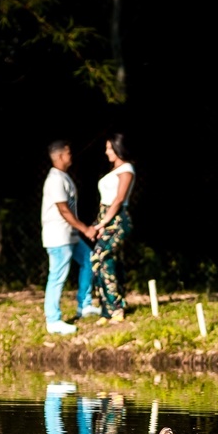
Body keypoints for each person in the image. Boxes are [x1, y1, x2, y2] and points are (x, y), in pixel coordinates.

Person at [41, 141, 99, 335]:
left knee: (88, 259)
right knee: (57, 276)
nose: (71, 155)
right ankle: (53, 320)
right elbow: (64, 210)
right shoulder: (55, 180)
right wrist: (86, 229)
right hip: (58, 237)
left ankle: (85, 305)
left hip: (69, 236)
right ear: (59, 156)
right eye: (68, 153)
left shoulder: (63, 177)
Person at [90, 134, 135, 322]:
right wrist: (100, 223)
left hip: (117, 219)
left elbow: (119, 199)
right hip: (106, 218)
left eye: (109, 148)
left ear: (118, 148)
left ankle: (115, 307)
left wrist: (103, 223)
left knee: (102, 256)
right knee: (103, 260)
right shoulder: (114, 169)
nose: (106, 151)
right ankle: (108, 308)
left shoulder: (127, 169)